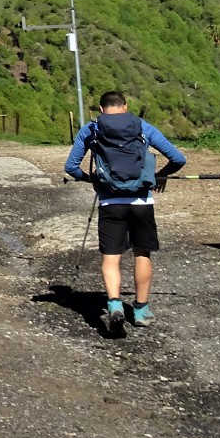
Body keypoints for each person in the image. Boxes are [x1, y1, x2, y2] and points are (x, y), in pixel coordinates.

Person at [64, 91, 186, 332]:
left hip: (110, 203)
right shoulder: (142, 126)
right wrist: (160, 175)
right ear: (125, 106)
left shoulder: (92, 129)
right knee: (142, 254)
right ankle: (140, 310)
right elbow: (178, 158)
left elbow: (71, 167)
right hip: (141, 201)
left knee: (111, 257)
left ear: (101, 108)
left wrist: (91, 179)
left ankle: (115, 304)